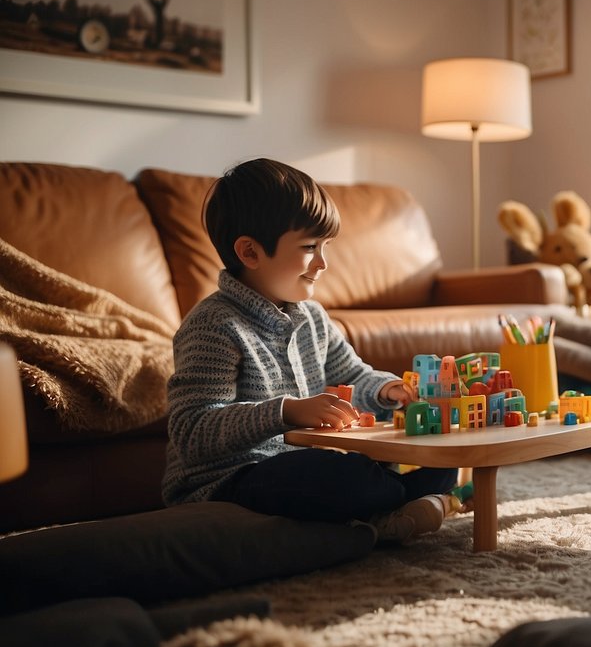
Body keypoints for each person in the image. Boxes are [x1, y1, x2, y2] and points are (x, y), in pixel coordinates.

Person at [162, 158, 461, 543]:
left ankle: (391, 507)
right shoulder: (214, 325)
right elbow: (193, 430)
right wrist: (286, 410)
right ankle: (396, 506)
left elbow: (353, 374)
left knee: (442, 458)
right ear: (250, 253)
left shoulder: (312, 318)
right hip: (230, 479)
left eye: (326, 246)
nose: (323, 263)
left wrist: (388, 390)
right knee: (337, 476)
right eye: (309, 247)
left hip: (305, 465)